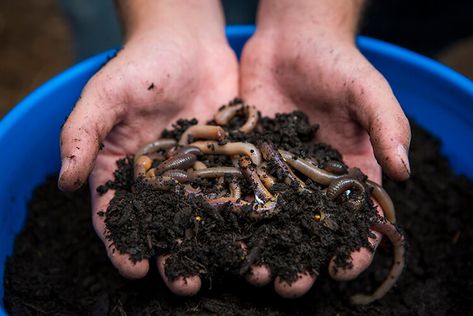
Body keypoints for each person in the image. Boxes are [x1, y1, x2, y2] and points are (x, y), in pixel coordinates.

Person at [58, 0, 411, 298]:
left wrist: (314, 22)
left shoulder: (260, 166)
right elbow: (201, 156)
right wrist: (167, 23)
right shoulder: (187, 163)